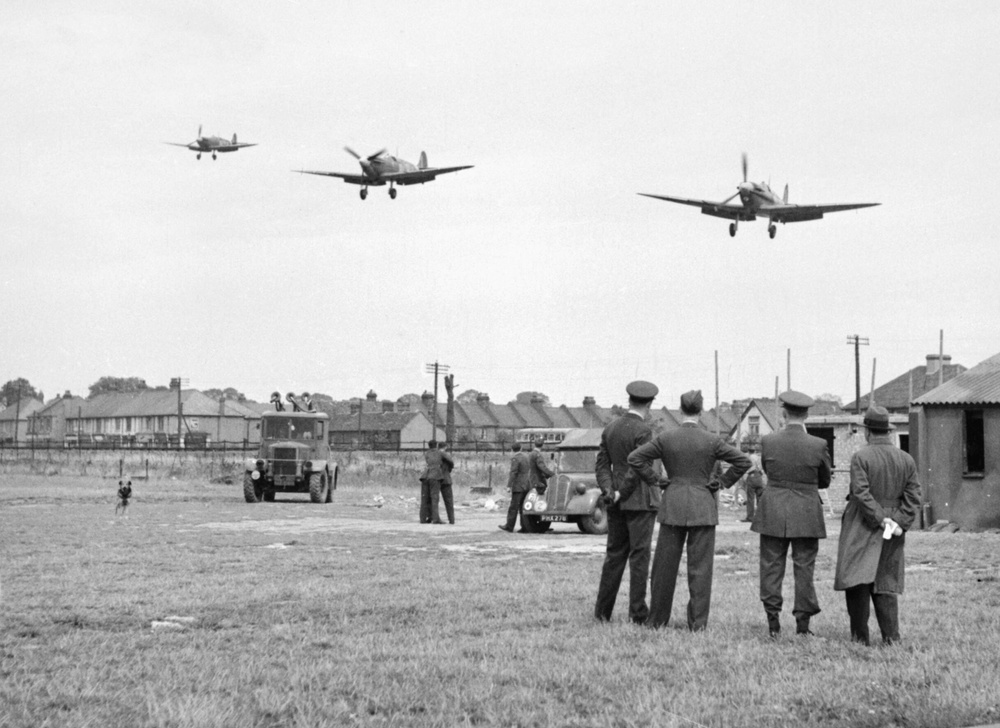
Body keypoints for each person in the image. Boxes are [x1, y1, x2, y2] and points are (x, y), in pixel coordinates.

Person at [629, 389, 751, 631]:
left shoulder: (666, 438)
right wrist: (722, 482)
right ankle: (697, 623)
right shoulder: (712, 440)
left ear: (681, 409)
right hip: (702, 506)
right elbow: (743, 461)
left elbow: (635, 458)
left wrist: (656, 479)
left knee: (664, 567)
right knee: (701, 569)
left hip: (673, 503)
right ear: (701, 411)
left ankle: (657, 620)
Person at [834, 406, 921, 645]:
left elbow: (860, 494)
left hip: (862, 521)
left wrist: (881, 518)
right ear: (889, 431)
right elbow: (914, 497)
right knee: (886, 580)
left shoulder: (861, 457)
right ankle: (891, 638)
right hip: (894, 526)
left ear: (867, 432)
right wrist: (898, 522)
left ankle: (860, 638)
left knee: (856, 578)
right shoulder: (906, 459)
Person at [751, 390, 832, 638]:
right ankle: (803, 626)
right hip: (806, 511)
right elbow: (825, 481)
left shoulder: (768, 441)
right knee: (804, 567)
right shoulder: (819, 445)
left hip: (773, 509)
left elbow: (767, 470)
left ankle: (773, 623)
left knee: (771, 566)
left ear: (784, 413)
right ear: (807, 414)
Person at [594, 380, 661, 624]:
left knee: (614, 556)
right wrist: (622, 491)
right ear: (650, 403)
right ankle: (638, 614)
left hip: (615, 502)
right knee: (639, 557)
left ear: (629, 400)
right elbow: (639, 465)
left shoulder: (610, 428)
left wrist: (609, 490)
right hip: (640, 501)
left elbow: (602, 464)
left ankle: (602, 612)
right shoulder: (644, 431)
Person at [500, 442, 532, 532]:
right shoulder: (526, 457)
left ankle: (509, 526)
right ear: (521, 448)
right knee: (523, 507)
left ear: (512, 450)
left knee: (513, 507)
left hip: (518, 485)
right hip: (527, 484)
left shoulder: (515, 458)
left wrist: (509, 486)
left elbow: (513, 473)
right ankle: (525, 527)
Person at [420, 440, 451, 524]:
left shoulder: (427, 453)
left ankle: (423, 519)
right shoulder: (439, 453)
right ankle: (436, 519)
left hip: (425, 476)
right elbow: (450, 460)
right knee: (435, 498)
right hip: (435, 476)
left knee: (424, 499)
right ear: (436, 445)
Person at [742, 453, 764, 522]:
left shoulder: (748, 457)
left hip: (752, 476)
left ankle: (750, 517)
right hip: (759, 477)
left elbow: (747, 468)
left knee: (750, 498)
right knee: (760, 498)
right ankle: (761, 517)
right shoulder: (759, 457)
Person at [438, 441, 456, 525]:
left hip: (436, 479)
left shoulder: (435, 455)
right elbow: (451, 463)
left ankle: (434, 517)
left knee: (434, 500)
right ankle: (451, 519)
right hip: (446, 479)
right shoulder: (446, 455)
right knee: (449, 501)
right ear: (445, 447)